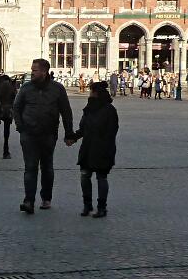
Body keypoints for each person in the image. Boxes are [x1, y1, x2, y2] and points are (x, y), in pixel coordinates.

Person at [13, 58, 75, 214]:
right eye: (32, 70)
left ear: (44, 72)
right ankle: (29, 201)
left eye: (35, 70)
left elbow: (66, 112)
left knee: (47, 167)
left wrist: (69, 133)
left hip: (49, 134)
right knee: (30, 167)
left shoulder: (57, 89)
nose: (32, 73)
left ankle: (46, 198)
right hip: (29, 134)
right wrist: (20, 127)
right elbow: (16, 107)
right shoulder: (26, 88)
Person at [72, 81, 119, 218]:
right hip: (88, 147)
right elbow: (83, 128)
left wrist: (103, 143)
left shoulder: (109, 110)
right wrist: (73, 137)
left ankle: (101, 207)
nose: (89, 94)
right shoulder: (89, 108)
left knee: (101, 177)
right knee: (85, 175)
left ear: (96, 93)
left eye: (91, 91)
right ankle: (87, 205)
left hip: (103, 148)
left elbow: (112, 131)